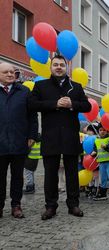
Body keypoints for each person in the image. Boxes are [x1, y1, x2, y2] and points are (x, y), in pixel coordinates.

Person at [29, 55, 91, 220]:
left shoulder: (76, 87)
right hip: (50, 137)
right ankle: (50, 207)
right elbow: (32, 104)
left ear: (67, 67)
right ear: (51, 68)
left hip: (70, 137)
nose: (58, 67)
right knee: (50, 174)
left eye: (61, 65)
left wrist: (72, 105)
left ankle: (73, 205)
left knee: (72, 173)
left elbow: (87, 105)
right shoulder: (41, 85)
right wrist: (55, 104)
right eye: (55, 65)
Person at [0, 62, 38, 219]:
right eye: (5, 72)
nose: (10, 74)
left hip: (19, 142)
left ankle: (16, 205)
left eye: (12, 72)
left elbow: (32, 116)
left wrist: (32, 136)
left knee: (17, 177)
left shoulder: (24, 91)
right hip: (0, 143)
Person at [92, 124, 109, 203]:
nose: (102, 132)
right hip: (101, 162)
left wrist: (105, 147)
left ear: (107, 131)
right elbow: (96, 150)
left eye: (104, 130)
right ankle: (103, 194)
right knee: (102, 179)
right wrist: (94, 153)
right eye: (100, 130)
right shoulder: (96, 140)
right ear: (98, 131)